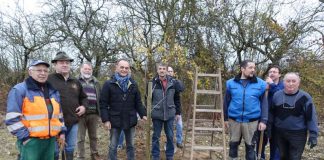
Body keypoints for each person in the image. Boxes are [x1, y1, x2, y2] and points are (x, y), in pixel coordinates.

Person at [5, 60, 66, 160]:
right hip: (31, 141)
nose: (42, 73)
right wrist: (25, 138)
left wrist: (62, 132)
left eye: (45, 71)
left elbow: (59, 115)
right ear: (30, 72)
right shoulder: (20, 90)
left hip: (51, 141)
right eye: (39, 70)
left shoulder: (53, 91)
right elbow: (12, 118)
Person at [100, 59, 147, 160]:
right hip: (114, 120)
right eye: (122, 67)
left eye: (126, 68)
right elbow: (103, 104)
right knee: (113, 146)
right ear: (116, 68)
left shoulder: (133, 84)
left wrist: (143, 114)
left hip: (130, 119)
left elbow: (138, 102)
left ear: (129, 69)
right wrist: (106, 120)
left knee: (131, 146)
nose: (124, 70)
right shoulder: (108, 84)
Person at [223, 60, 268, 160]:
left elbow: (264, 104)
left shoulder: (260, 84)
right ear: (242, 69)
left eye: (254, 68)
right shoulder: (231, 83)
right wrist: (225, 118)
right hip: (234, 120)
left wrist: (264, 120)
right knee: (233, 145)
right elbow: (226, 102)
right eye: (250, 68)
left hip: (252, 122)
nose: (253, 70)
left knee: (250, 147)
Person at [48, 51, 87, 160]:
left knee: (69, 149)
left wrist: (84, 106)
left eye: (67, 62)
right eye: (61, 62)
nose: (65, 65)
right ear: (55, 64)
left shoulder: (75, 82)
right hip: (54, 123)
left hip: (73, 121)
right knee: (54, 151)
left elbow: (84, 97)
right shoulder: (48, 80)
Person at [269, 72, 318, 160]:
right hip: (279, 133)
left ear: (298, 83)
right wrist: (268, 127)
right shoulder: (277, 95)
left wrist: (313, 134)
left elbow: (311, 117)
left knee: (295, 157)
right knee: (282, 156)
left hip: (298, 134)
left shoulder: (305, 97)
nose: (291, 83)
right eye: (288, 81)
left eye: (293, 81)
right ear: (284, 83)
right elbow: (271, 113)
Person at [151, 63, 181, 160]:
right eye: (160, 69)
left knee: (170, 136)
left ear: (167, 71)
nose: (162, 70)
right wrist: (150, 111)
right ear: (157, 70)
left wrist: (178, 112)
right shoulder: (152, 83)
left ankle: (169, 156)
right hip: (157, 114)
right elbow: (147, 98)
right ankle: (155, 156)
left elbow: (177, 98)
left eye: (164, 69)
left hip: (170, 114)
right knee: (156, 136)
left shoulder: (172, 83)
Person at [256, 65, 284, 160]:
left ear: (279, 74)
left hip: (277, 119)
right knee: (261, 142)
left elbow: (280, 96)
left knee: (275, 144)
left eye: (275, 72)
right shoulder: (263, 84)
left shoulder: (283, 86)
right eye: (270, 72)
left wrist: (272, 85)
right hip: (264, 117)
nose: (272, 73)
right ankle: (261, 157)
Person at [77, 62, 102, 160]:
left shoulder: (96, 82)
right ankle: (80, 156)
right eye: (85, 69)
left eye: (89, 69)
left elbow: (99, 97)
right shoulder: (76, 81)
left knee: (94, 136)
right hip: (80, 114)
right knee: (80, 138)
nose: (87, 71)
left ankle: (94, 155)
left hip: (94, 113)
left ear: (92, 70)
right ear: (81, 69)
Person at [167, 66, 185, 148]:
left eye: (171, 71)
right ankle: (169, 142)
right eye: (168, 71)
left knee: (179, 125)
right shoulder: (163, 83)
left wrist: (178, 113)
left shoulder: (176, 83)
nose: (170, 72)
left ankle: (179, 141)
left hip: (175, 109)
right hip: (166, 110)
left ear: (173, 73)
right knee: (169, 128)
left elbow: (178, 99)